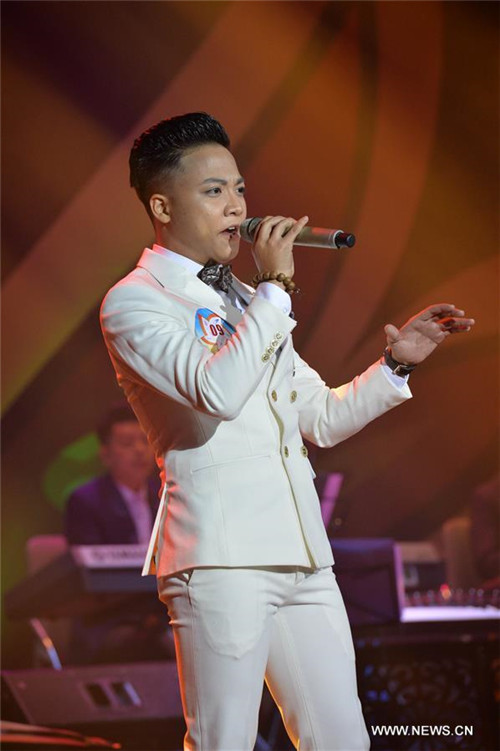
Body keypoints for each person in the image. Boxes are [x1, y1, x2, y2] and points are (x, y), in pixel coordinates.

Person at [99, 112, 474, 750]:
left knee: (342, 740)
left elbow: (319, 417)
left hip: (302, 554)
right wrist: (274, 287)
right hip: (220, 557)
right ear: (162, 206)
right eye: (213, 191)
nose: (236, 206)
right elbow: (216, 392)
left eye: (239, 188)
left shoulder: (249, 300)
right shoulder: (136, 300)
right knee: (224, 741)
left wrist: (397, 363)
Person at [64, 403, 175, 664]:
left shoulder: (168, 495)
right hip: (110, 618)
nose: (139, 450)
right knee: (146, 642)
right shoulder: (85, 501)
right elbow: (91, 577)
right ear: (105, 455)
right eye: (127, 443)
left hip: (164, 610)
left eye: (145, 441)